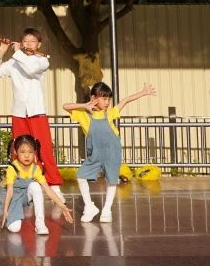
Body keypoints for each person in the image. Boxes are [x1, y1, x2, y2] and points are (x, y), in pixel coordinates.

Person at [63, 81, 156, 222]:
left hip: (112, 152)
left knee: (112, 180)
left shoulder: (110, 113)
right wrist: (84, 105)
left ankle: (107, 210)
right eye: (104, 99)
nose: (107, 102)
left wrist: (143, 93)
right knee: (81, 176)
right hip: (95, 154)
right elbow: (65, 106)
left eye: (109, 99)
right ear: (93, 98)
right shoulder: (83, 115)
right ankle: (89, 206)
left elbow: (126, 100)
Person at [0, 29, 63, 193]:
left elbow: (30, 69)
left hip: (36, 111)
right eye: (25, 41)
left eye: (33, 41)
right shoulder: (14, 61)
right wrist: (2, 51)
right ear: (21, 42)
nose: (28, 44)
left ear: (39, 44)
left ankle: (54, 185)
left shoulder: (42, 61)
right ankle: (24, 185)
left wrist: (17, 52)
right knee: (20, 149)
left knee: (44, 149)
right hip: (19, 112)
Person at [0, 134, 74, 235]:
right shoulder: (12, 168)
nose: (27, 156)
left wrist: (62, 206)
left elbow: (48, 190)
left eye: (30, 152)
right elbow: (9, 191)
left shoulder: (36, 169)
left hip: (25, 195)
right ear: (15, 152)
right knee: (15, 228)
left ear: (34, 152)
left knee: (35, 186)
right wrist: (5, 210)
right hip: (12, 198)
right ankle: (13, 214)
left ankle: (40, 224)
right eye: (22, 152)